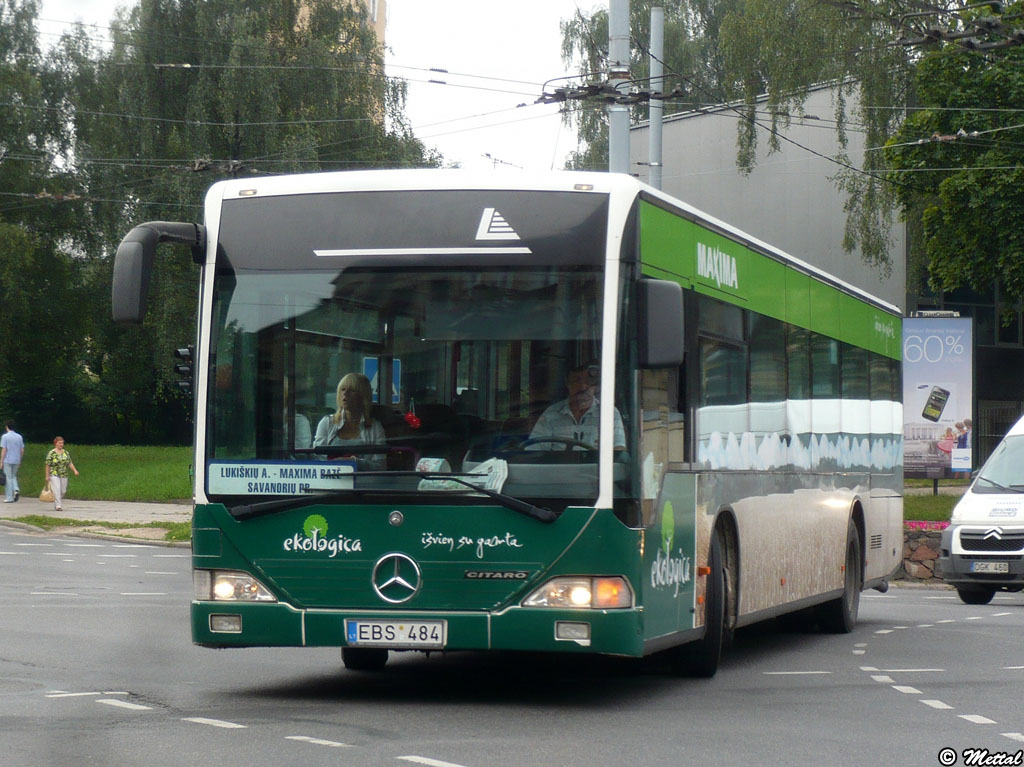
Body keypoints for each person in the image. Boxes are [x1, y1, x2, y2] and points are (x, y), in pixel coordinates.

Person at [528, 363, 625, 450]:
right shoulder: (551, 414)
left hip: (596, 470)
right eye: (576, 381)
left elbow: (619, 449)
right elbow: (535, 449)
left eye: (588, 382)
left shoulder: (609, 413)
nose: (582, 387)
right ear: (567, 384)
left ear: (595, 386)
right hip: (558, 469)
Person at [313, 373, 386, 469]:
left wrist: (354, 462)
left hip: (364, 481)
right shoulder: (327, 423)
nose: (345, 394)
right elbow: (317, 460)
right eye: (343, 389)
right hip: (329, 480)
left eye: (352, 390)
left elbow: (380, 466)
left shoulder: (375, 427)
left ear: (363, 396)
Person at [44, 436, 79, 512]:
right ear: (55, 443)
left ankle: (57, 501)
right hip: (54, 473)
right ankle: (58, 505)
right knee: (56, 489)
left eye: (62, 443)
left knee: (63, 491)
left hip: (63, 474)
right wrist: (47, 476)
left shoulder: (66, 453)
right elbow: (47, 464)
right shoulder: (52, 453)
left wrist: (75, 470)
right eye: (59, 443)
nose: (61, 444)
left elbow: (69, 462)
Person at [2, 420, 24, 503]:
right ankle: (16, 489)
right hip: (16, 459)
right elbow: (22, 450)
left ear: (7, 427)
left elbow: (4, 449)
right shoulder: (19, 437)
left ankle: (9, 497)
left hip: (7, 459)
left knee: (8, 477)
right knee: (13, 476)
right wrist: (20, 459)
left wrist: (1, 461)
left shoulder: (5, 437)